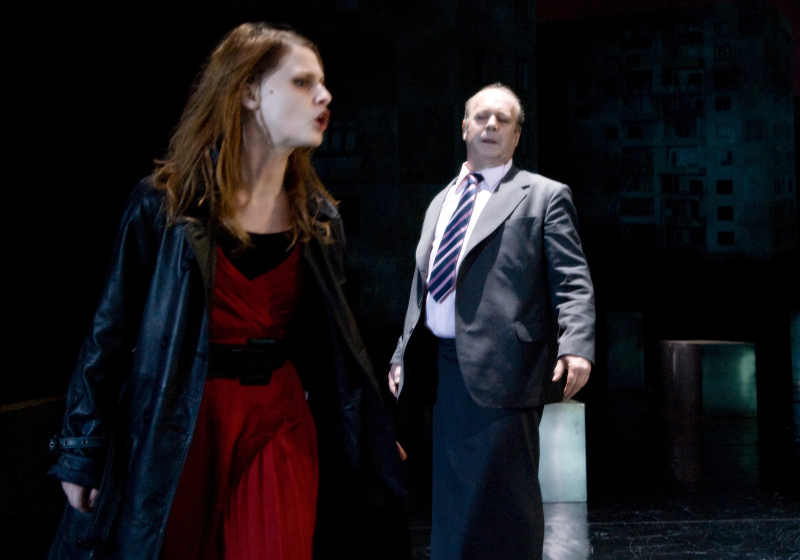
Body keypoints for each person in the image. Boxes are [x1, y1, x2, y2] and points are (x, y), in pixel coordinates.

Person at [48, 22, 407, 560]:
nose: (325, 96)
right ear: (247, 92)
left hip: (277, 419)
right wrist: (81, 450)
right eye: (302, 82)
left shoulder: (318, 219)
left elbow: (336, 347)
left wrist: (369, 434)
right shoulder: (165, 206)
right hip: (180, 418)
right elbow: (109, 333)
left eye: (323, 82)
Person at [389, 83, 595, 560]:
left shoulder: (544, 196)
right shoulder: (440, 201)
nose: (491, 125)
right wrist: (402, 353)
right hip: (444, 370)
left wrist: (576, 344)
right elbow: (422, 286)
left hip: (508, 368)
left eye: (504, 120)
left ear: (517, 135)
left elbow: (572, 279)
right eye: (482, 116)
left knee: (505, 505)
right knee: (453, 505)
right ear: (465, 127)